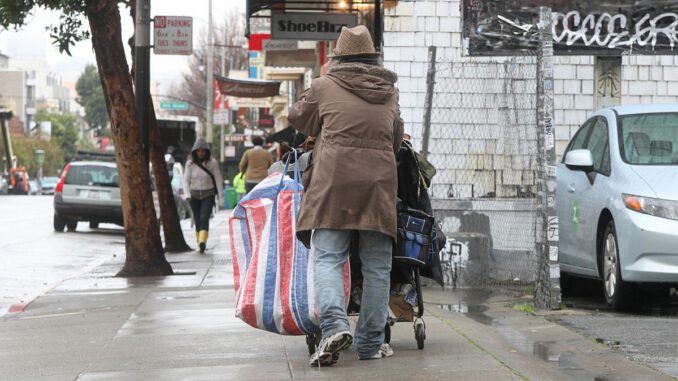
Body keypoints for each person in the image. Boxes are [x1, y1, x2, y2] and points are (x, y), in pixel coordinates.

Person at [289, 25, 404, 367]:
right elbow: (395, 139)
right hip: (379, 184)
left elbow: (299, 119)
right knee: (378, 267)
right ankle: (370, 343)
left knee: (328, 258)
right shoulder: (390, 91)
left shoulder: (325, 86)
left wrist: (321, 86)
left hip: (333, 183)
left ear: (338, 58)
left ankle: (335, 326)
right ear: (372, 57)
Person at [183, 138, 224, 253]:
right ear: (195, 152)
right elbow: (186, 180)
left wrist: (221, 198)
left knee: (204, 217)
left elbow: (218, 179)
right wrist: (187, 194)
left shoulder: (213, 162)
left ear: (207, 151)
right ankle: (198, 242)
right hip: (194, 195)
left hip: (208, 194)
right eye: (199, 151)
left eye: (203, 151)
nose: (201, 153)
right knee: (197, 219)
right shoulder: (190, 164)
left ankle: (202, 242)